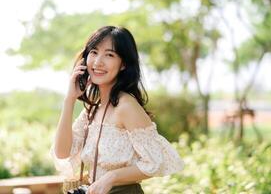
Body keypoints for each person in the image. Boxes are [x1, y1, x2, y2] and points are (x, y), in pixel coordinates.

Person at [50, 26, 184, 194]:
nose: (98, 61)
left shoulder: (126, 106)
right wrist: (69, 99)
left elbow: (154, 162)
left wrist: (111, 177)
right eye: (94, 52)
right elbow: (62, 152)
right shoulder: (92, 111)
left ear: (123, 64)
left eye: (110, 55)